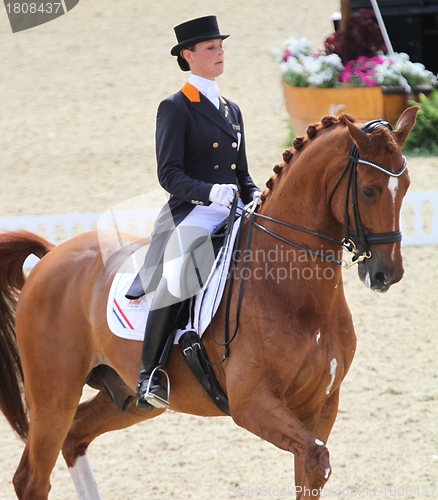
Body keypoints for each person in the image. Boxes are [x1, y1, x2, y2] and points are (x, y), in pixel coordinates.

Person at [127, 15, 261, 411]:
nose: (220, 53)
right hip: (194, 214)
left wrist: (255, 196)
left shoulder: (231, 108)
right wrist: (209, 192)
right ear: (189, 55)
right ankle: (150, 372)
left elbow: (243, 172)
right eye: (210, 48)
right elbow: (169, 174)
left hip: (234, 210)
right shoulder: (175, 107)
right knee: (182, 273)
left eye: (221, 46)